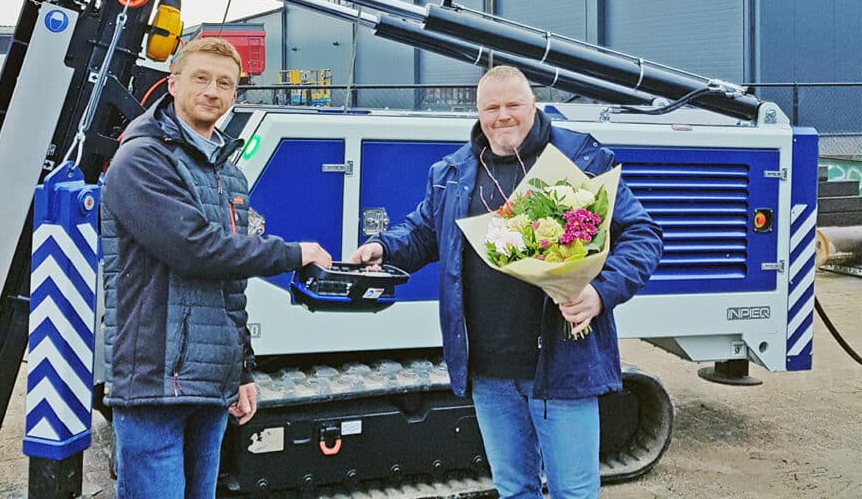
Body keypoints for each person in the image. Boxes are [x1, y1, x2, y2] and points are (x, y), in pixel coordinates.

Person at [351, 65, 663, 499]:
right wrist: (384, 247)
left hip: (561, 366)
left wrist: (598, 293)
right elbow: (424, 231)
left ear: (533, 105)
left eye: (513, 105)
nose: (503, 116)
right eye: (491, 107)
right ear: (477, 113)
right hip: (489, 370)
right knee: (514, 489)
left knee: (574, 492)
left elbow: (642, 235)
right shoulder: (454, 172)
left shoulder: (579, 159)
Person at [101, 37, 332, 499]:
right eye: (201, 79)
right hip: (155, 381)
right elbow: (195, 249)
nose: (212, 91)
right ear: (173, 83)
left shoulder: (228, 173)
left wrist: (242, 371)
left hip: (209, 382)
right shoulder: (143, 158)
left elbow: (230, 287)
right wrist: (292, 253)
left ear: (234, 95)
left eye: (224, 83)